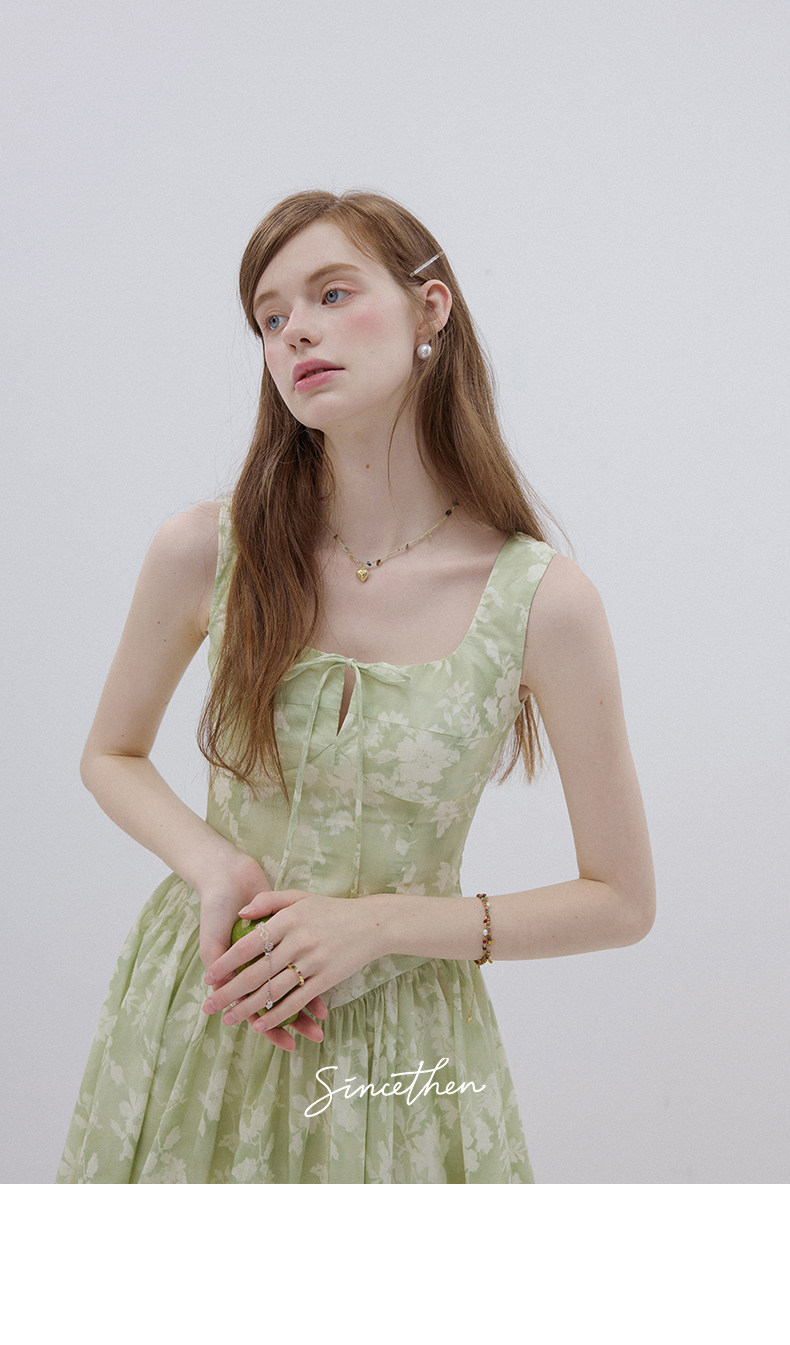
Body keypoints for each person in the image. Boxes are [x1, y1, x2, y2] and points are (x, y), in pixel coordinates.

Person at [56, 189, 655, 1184]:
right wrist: (214, 864)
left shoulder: (540, 601)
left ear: (430, 307)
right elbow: (109, 753)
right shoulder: (208, 550)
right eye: (271, 317)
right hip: (212, 1003)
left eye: (332, 294)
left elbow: (622, 900)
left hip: (405, 1046)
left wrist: (377, 925)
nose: (297, 331)